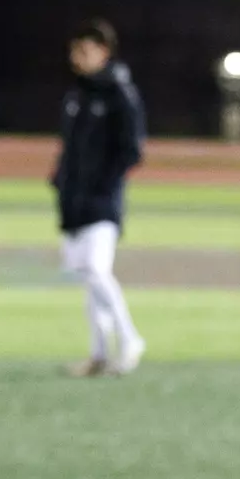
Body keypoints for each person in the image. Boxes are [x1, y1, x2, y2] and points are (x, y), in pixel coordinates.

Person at [54, 18, 146, 377]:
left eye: (85, 50)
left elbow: (132, 150)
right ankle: (98, 353)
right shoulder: (77, 93)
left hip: (102, 200)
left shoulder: (119, 94)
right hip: (74, 200)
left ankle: (130, 338)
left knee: (95, 271)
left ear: (104, 52)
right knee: (88, 276)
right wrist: (61, 182)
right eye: (74, 50)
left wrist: (103, 183)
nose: (77, 57)